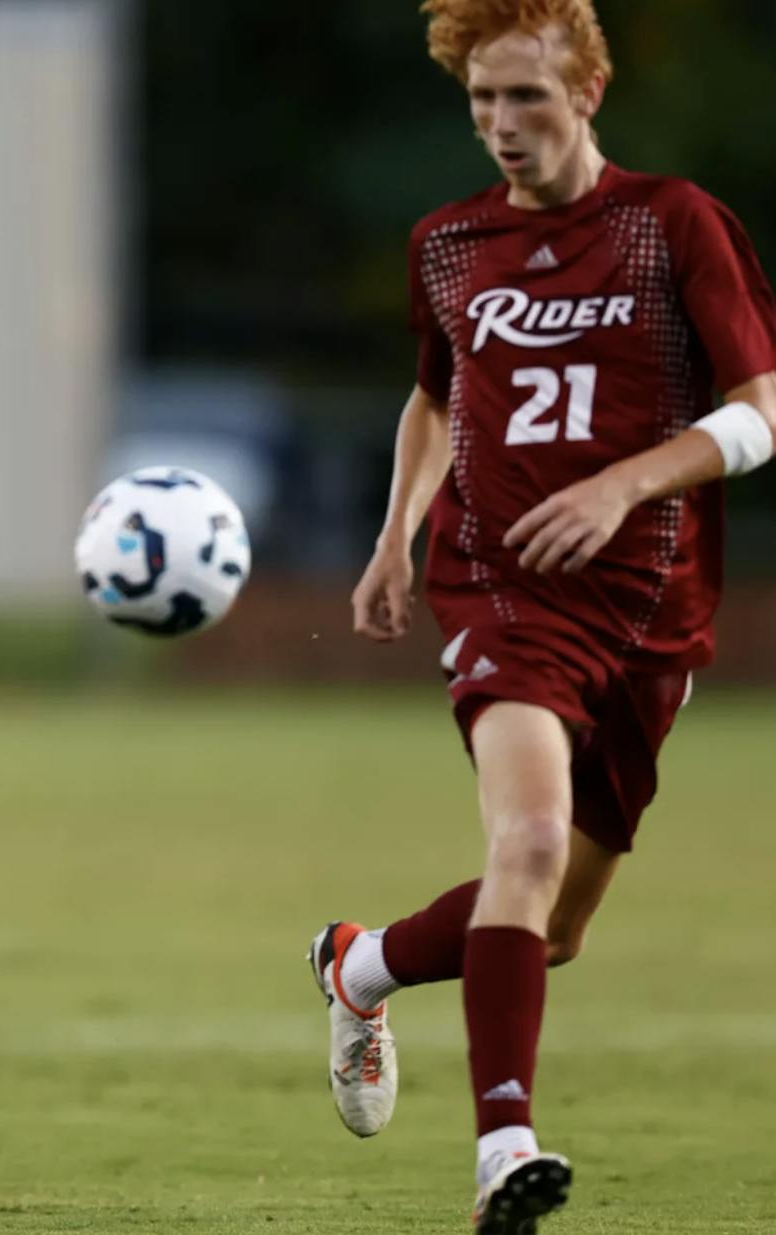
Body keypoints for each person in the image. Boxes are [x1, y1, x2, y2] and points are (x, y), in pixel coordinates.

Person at [311, 2, 776, 1230]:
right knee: (523, 843)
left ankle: (357, 964)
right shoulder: (449, 243)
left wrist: (624, 483)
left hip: (652, 606)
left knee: (555, 925)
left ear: (590, 87)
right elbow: (435, 399)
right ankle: (504, 1149)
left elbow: (760, 413)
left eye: (525, 97)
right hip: (502, 582)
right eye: (480, 102)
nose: (502, 127)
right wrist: (395, 539)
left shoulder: (672, 223)